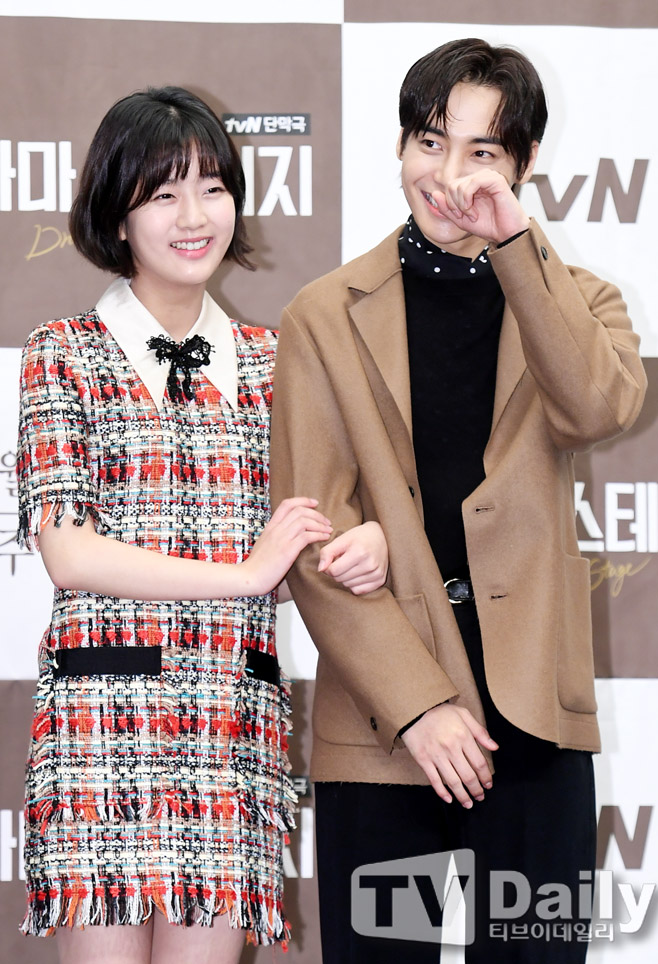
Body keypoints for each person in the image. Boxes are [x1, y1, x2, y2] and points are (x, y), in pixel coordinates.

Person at [270, 38, 647, 963]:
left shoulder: (580, 302)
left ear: (523, 164)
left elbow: (596, 408)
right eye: (430, 143)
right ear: (401, 145)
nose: (447, 177)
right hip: (382, 727)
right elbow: (311, 536)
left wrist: (517, 246)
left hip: (534, 725)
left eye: (482, 151)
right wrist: (420, 707)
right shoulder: (323, 315)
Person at [16, 86, 389, 964]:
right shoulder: (62, 351)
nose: (194, 217)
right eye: (163, 194)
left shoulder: (274, 364)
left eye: (213, 188)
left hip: (229, 724)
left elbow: (317, 530)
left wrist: (367, 539)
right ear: (117, 215)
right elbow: (69, 551)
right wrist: (245, 575)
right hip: (101, 724)